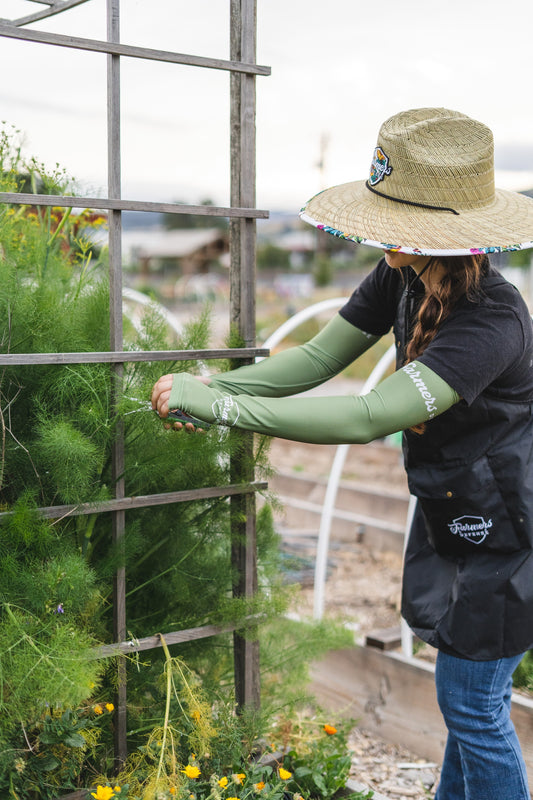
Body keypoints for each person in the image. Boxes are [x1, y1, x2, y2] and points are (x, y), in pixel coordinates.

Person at [152, 107, 533, 799]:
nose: (377, 230)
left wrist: (224, 409)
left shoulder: (494, 319)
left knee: (473, 705)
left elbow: (367, 415)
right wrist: (210, 391)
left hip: (509, 526)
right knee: (467, 701)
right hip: (453, 506)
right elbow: (316, 360)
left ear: (440, 231)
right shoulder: (404, 274)